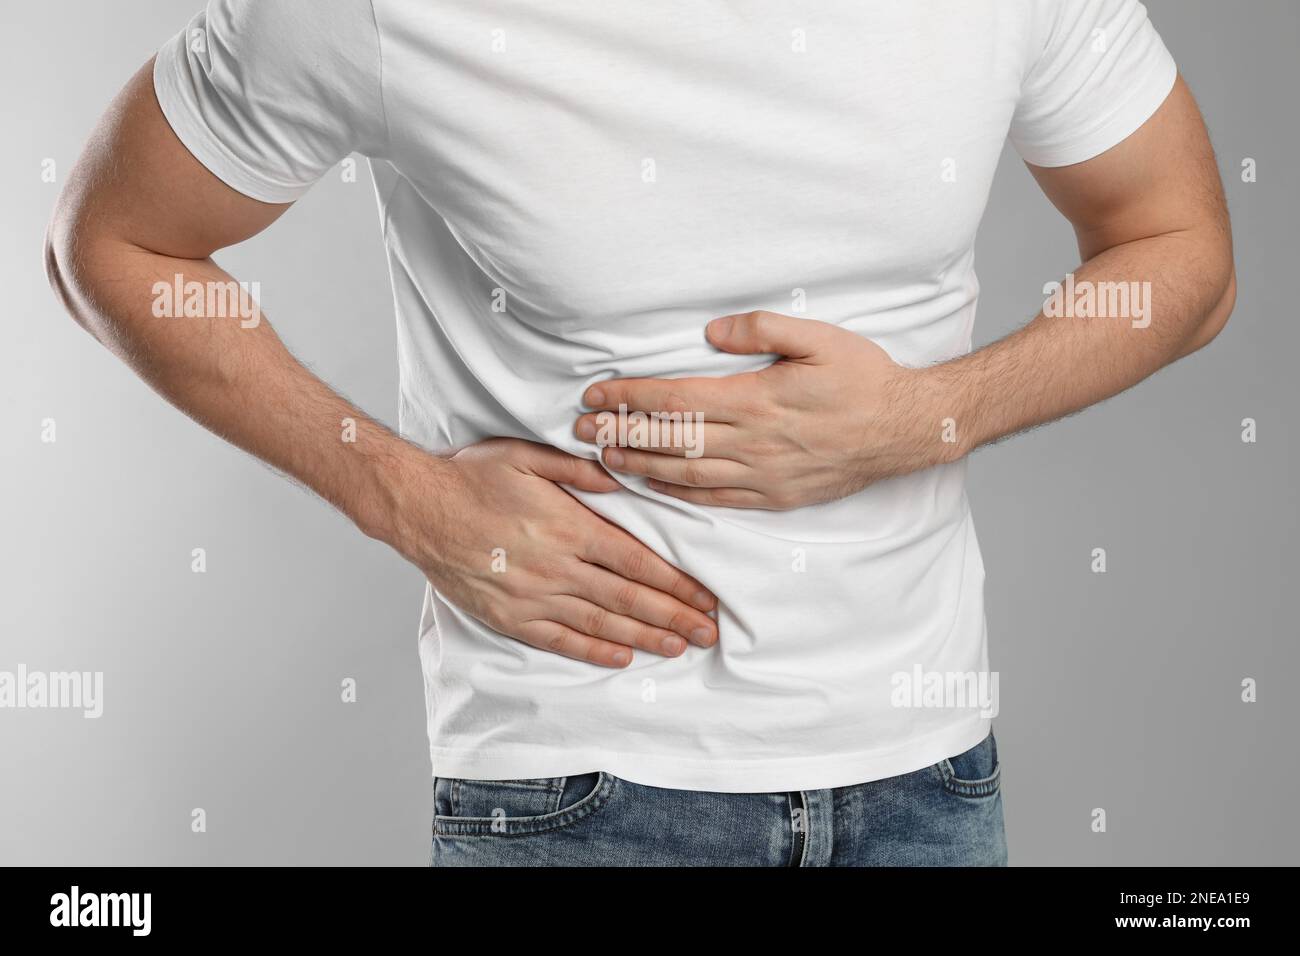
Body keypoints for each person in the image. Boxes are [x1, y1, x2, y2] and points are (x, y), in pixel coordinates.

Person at [45, 0, 1234, 866]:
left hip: (925, 774)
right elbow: (107, 242)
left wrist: (928, 415)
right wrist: (408, 499)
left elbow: (1182, 251)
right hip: (578, 784)